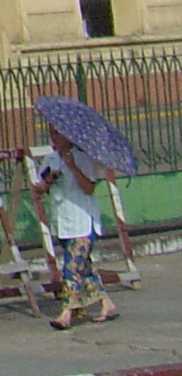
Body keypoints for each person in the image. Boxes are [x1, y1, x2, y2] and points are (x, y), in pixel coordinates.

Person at [33, 124, 122, 329]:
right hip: (64, 222)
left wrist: (72, 166)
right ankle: (106, 303)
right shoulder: (51, 159)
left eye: (58, 134)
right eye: (52, 134)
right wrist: (48, 181)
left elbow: (89, 188)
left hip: (83, 222)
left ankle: (67, 312)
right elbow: (39, 188)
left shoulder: (82, 157)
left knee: (71, 268)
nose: (54, 138)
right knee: (85, 268)